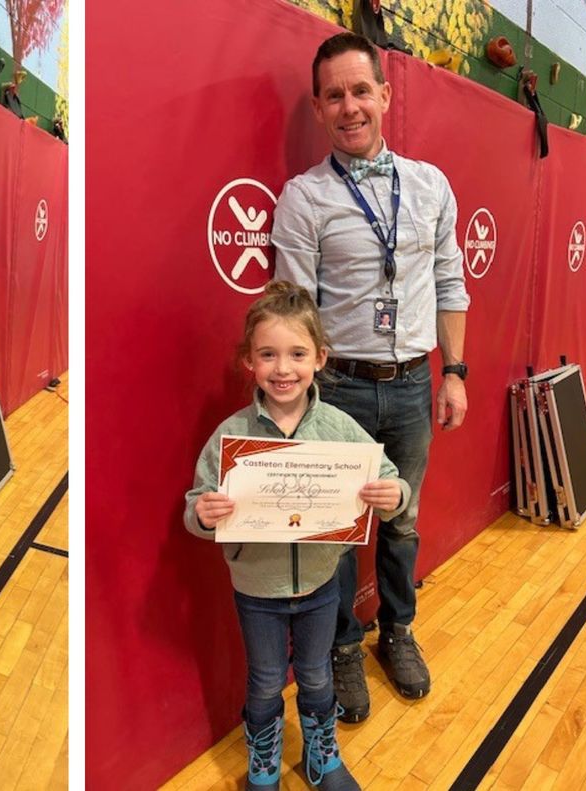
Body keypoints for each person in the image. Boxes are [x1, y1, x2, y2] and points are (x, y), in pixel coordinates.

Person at [271, 32, 469, 722]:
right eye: (335, 96)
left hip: (414, 383)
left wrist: (456, 372)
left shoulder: (431, 185)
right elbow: (295, 315)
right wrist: (301, 402)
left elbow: (450, 281)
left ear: (384, 95)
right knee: (336, 528)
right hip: (343, 388)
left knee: (402, 522)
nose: (350, 107)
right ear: (319, 108)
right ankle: (345, 648)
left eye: (361, 91)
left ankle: (399, 632)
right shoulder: (303, 199)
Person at [184, 281, 410, 791]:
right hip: (256, 592)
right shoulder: (230, 435)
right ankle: (263, 762)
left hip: (320, 587)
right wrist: (205, 513)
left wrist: (394, 493)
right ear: (249, 362)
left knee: (316, 676)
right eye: (268, 354)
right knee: (265, 681)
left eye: (296, 354)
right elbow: (194, 507)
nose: (282, 368)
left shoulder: (339, 428)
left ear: (320, 358)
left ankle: (321, 756)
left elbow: (393, 476)